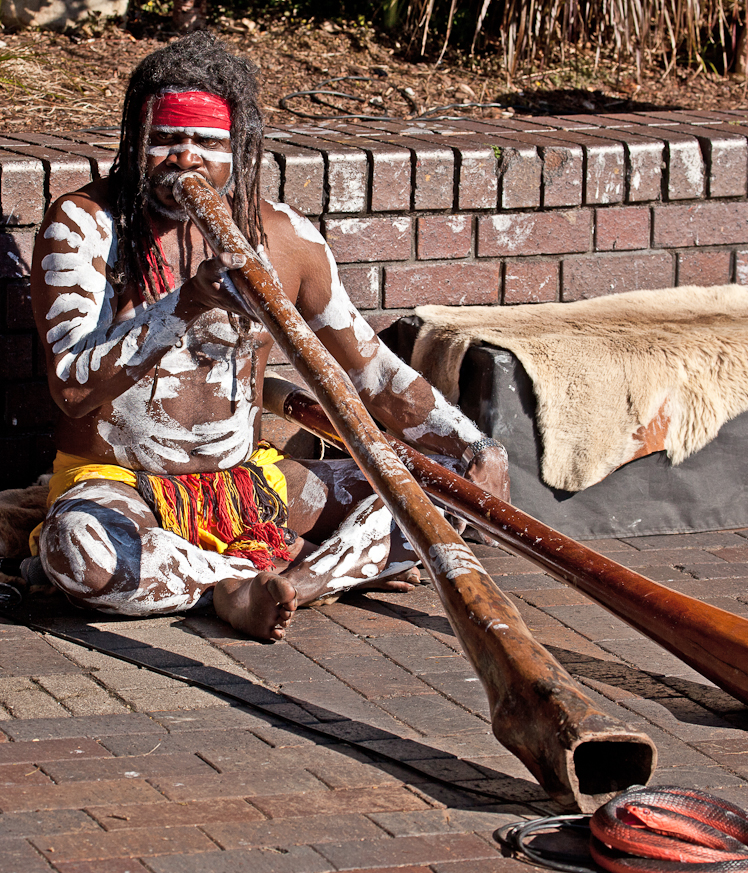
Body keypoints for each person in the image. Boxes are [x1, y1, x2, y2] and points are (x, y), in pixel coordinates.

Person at [29, 32, 509, 642]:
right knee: (78, 554)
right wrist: (186, 302)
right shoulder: (85, 226)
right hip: (122, 490)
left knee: (446, 489)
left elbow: (373, 371)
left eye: (207, 142)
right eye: (165, 141)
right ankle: (253, 582)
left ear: (241, 150)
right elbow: (72, 389)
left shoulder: (283, 237)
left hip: (254, 488)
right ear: (135, 142)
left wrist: (472, 448)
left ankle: (298, 581)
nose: (186, 160)